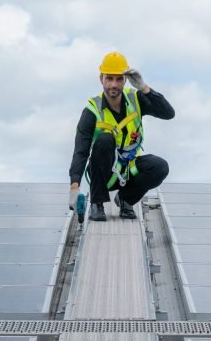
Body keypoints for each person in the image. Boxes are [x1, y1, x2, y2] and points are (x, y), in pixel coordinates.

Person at [68, 51, 175, 221]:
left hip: (128, 169)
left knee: (160, 166)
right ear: (101, 79)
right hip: (103, 174)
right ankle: (97, 203)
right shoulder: (92, 110)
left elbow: (168, 113)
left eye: (119, 79)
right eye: (109, 78)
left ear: (125, 80)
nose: (114, 84)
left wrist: (144, 88)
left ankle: (126, 200)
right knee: (105, 139)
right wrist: (74, 186)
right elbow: (81, 151)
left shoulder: (136, 99)